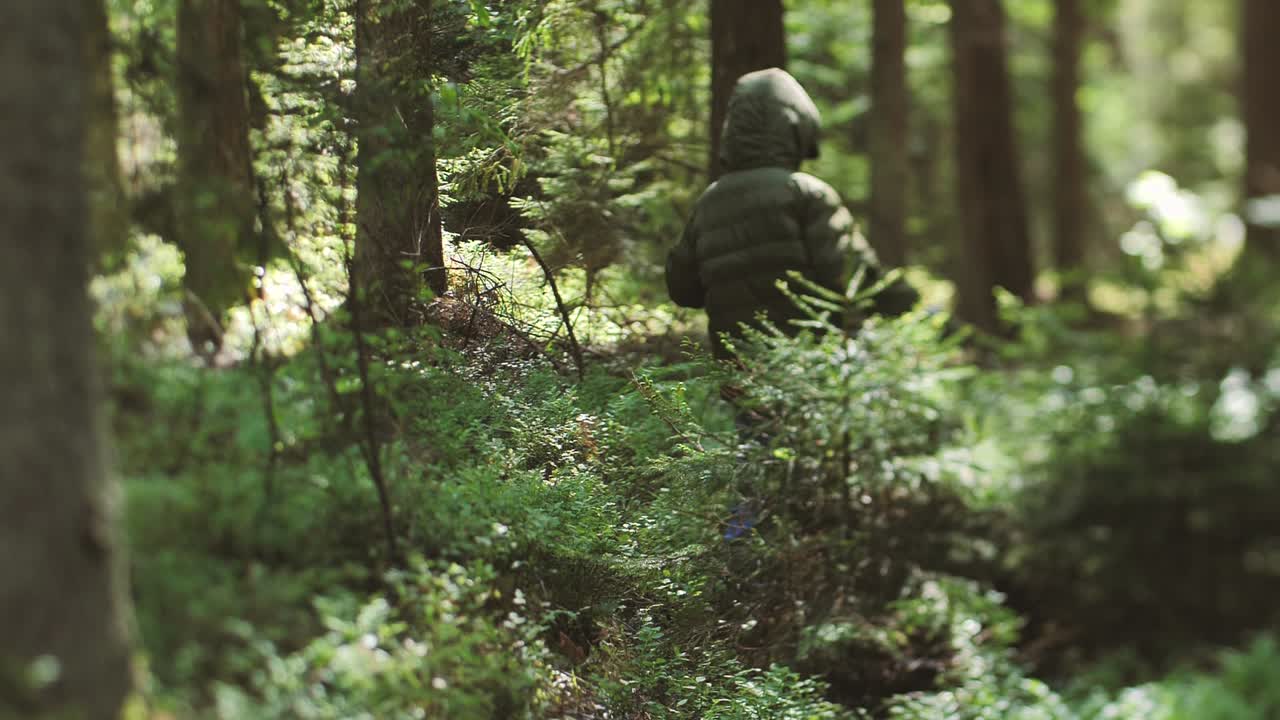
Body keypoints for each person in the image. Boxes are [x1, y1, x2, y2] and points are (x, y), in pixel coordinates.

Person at [666, 67, 915, 359]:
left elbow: (682, 289)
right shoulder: (805, 192)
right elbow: (854, 275)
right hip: (810, 368)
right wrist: (914, 307)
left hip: (737, 370)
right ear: (795, 128)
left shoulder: (709, 200)